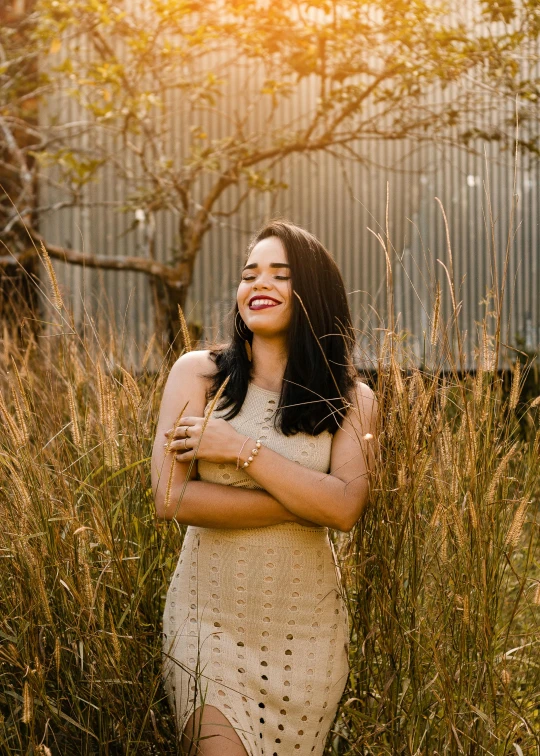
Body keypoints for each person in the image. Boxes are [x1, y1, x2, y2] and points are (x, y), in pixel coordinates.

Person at [152, 220, 377, 756]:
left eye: (280, 274)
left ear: (313, 293)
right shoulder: (199, 375)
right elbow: (171, 498)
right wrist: (303, 504)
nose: (259, 284)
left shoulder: (351, 399)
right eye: (250, 273)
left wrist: (239, 451)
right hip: (207, 624)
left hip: (307, 636)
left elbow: (346, 509)